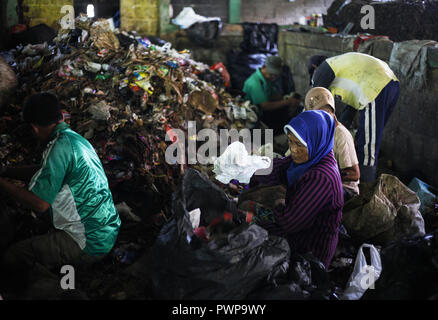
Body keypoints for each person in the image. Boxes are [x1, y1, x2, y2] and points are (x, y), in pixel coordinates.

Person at [0, 92, 121, 296]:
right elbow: (44, 171)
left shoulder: (58, 147)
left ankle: (55, 287)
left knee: (14, 255)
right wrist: (6, 171)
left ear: (34, 127)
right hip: (106, 230)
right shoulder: (75, 140)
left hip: (88, 241)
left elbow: (40, 204)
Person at [245, 110, 344, 268]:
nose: (293, 150)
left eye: (299, 144)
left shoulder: (321, 177)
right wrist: (247, 167)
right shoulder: (314, 155)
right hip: (297, 232)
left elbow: (290, 223)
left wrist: (278, 202)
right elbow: (278, 168)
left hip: (309, 253)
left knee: (247, 228)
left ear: (316, 139)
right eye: (290, 142)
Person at [308, 52, 400, 182]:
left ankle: (364, 185)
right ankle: (360, 176)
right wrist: (342, 132)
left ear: (314, 67)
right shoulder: (343, 68)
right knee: (368, 137)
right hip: (391, 83)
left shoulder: (322, 70)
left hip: (376, 86)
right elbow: (350, 110)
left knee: (368, 145)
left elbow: (310, 109)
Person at [304, 87, 360, 200]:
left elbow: (354, 174)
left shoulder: (341, 135)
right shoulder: (312, 130)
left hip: (343, 189)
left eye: (327, 112)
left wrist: (324, 177)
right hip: (319, 182)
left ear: (332, 112)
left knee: (312, 196)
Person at [243, 55, 302, 136]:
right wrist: (287, 102)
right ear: (264, 67)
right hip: (254, 116)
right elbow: (264, 106)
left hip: (264, 112)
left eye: (275, 74)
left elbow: (272, 95)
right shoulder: (255, 83)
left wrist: (286, 98)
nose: (274, 76)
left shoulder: (266, 79)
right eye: (272, 73)